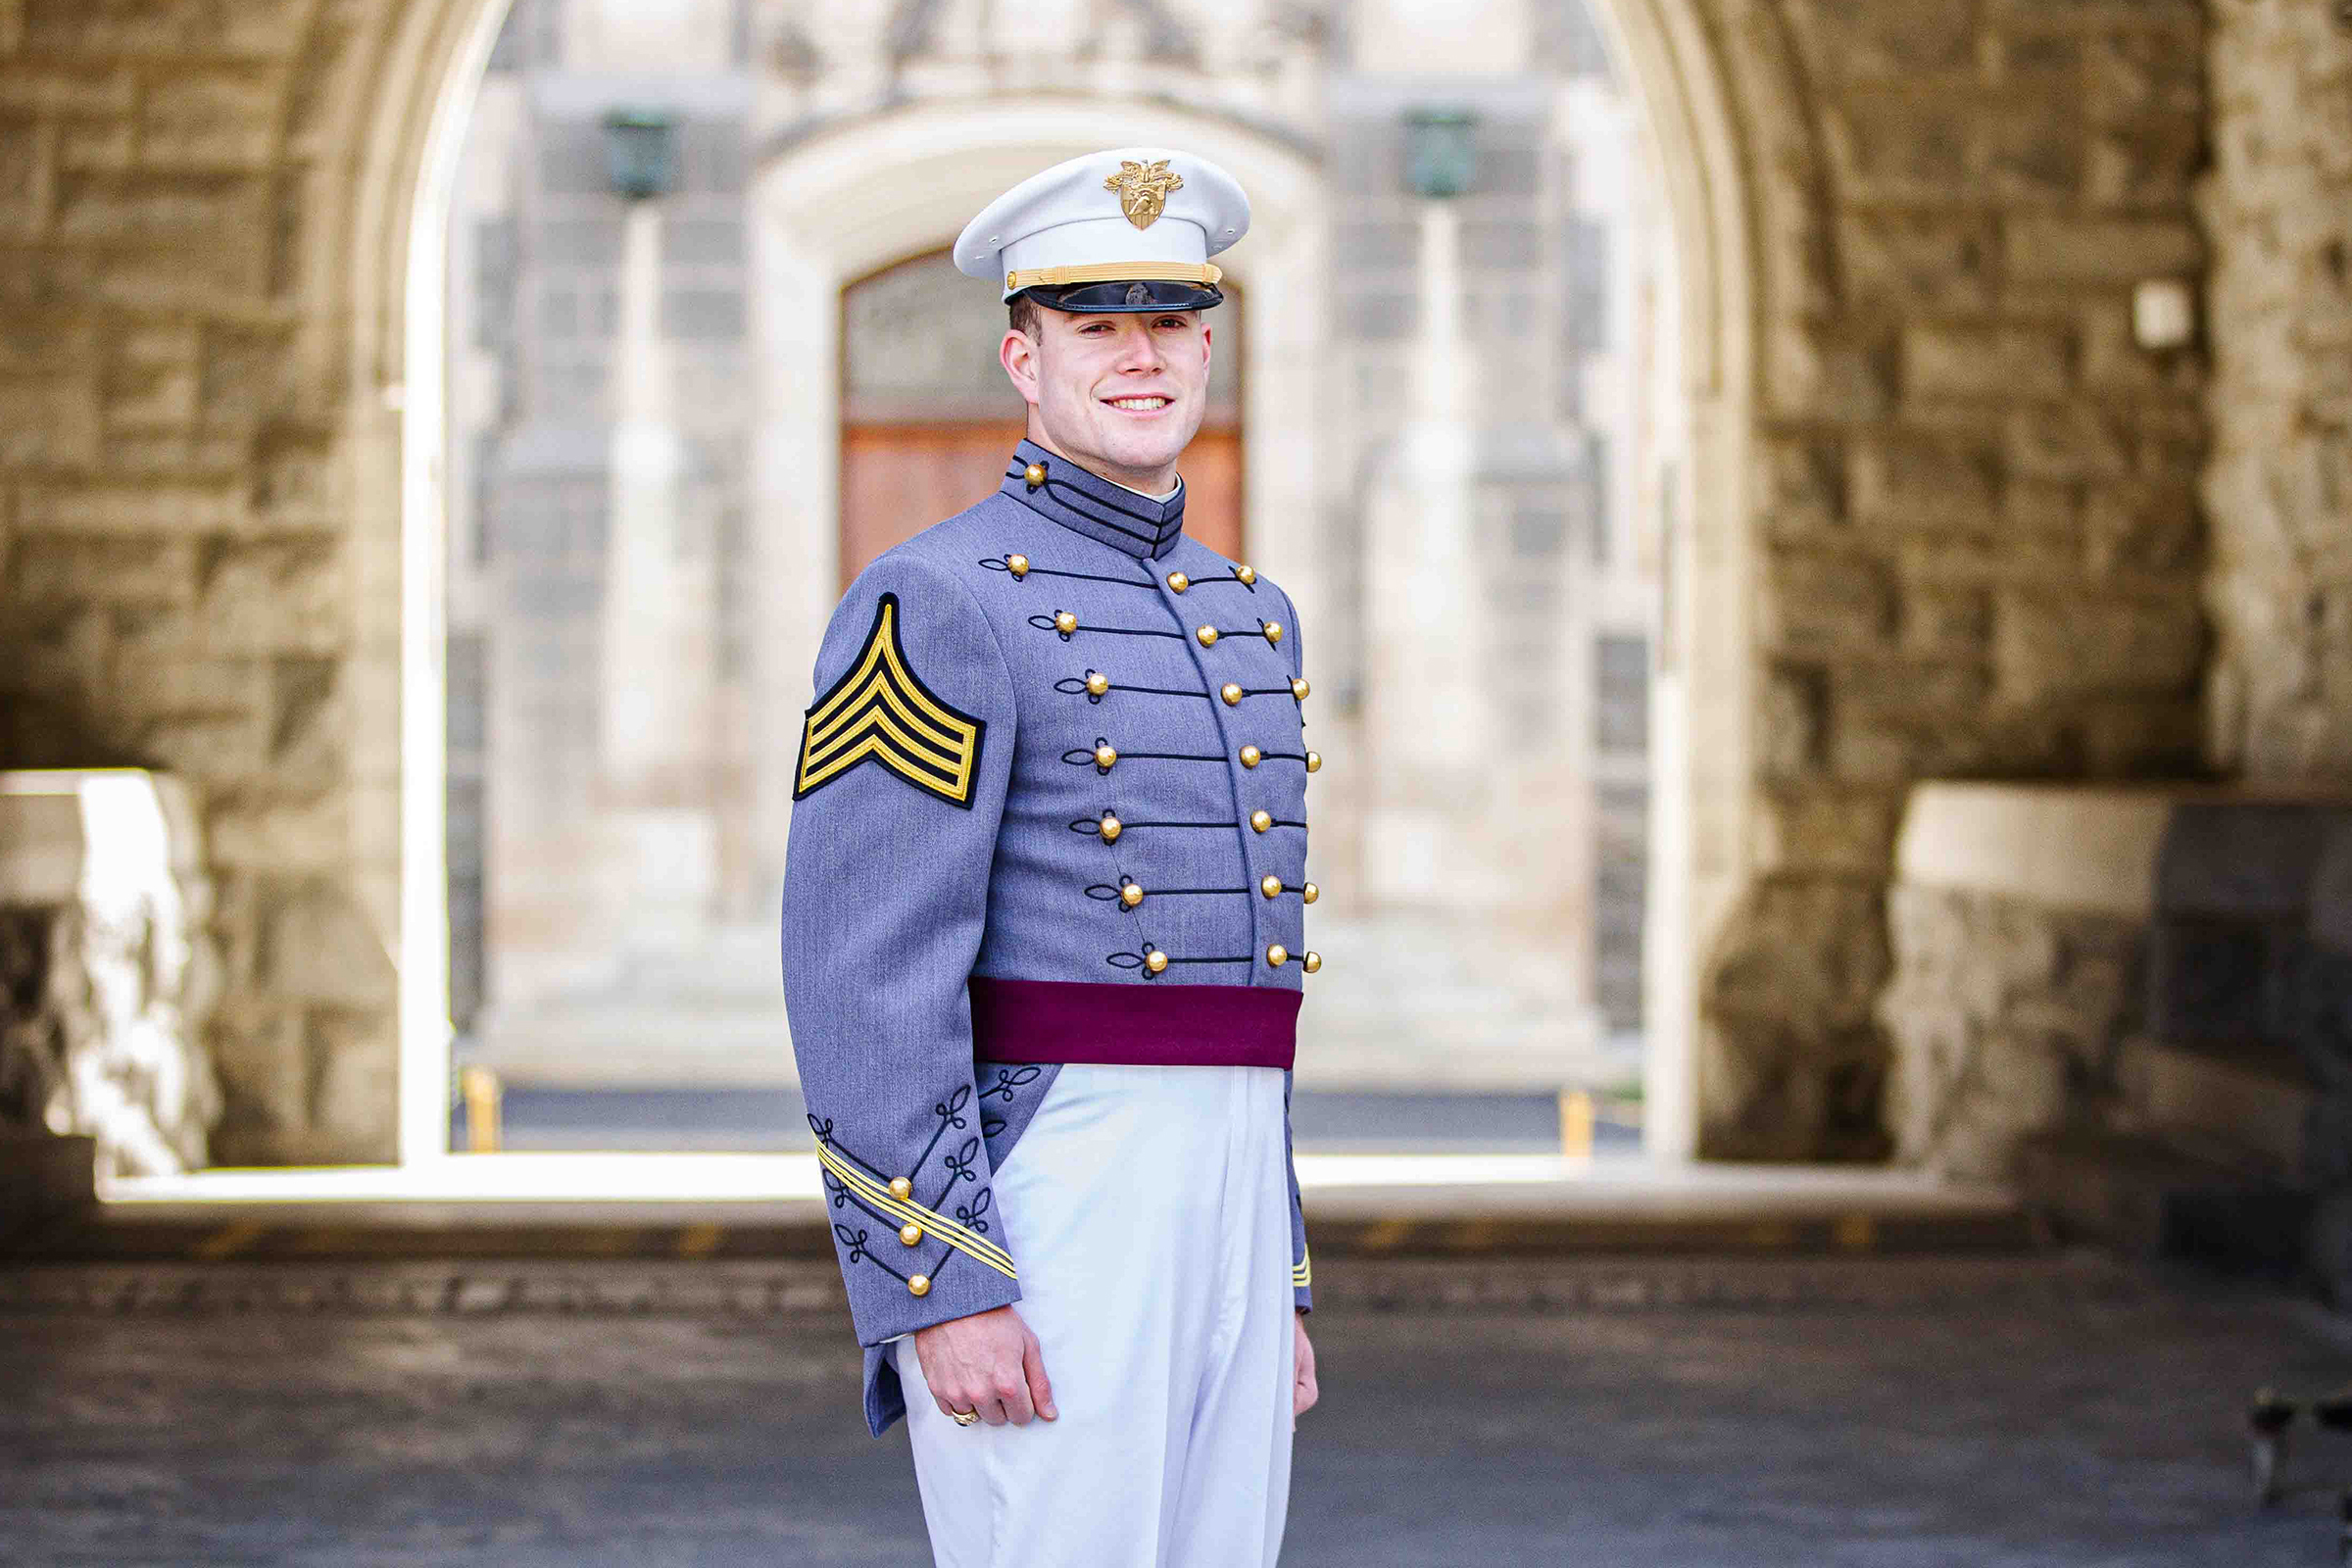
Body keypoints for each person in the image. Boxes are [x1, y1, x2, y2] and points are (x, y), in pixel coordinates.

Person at [779, 146, 1321, 1568]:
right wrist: (937, 1282)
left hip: (1229, 1189)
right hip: (1053, 1177)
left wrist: (1280, 1274)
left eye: (1171, 325)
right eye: (1099, 329)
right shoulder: (933, 598)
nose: (1143, 360)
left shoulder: (1251, 613)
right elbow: (862, 973)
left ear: (1207, 342)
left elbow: (1251, 1002)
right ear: (1025, 358)